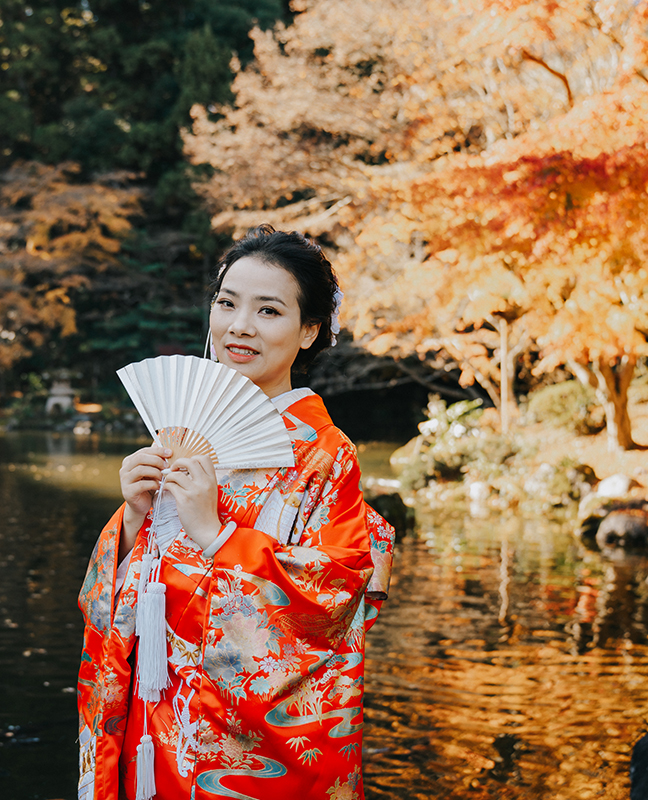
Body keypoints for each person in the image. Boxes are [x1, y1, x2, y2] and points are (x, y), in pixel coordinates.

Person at [76, 225, 396, 800]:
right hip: (155, 722)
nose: (238, 326)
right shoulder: (183, 431)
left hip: (246, 748)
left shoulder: (325, 457)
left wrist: (215, 536)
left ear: (309, 331)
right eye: (226, 303)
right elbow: (122, 596)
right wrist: (130, 520)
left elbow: (334, 599)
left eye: (268, 310)